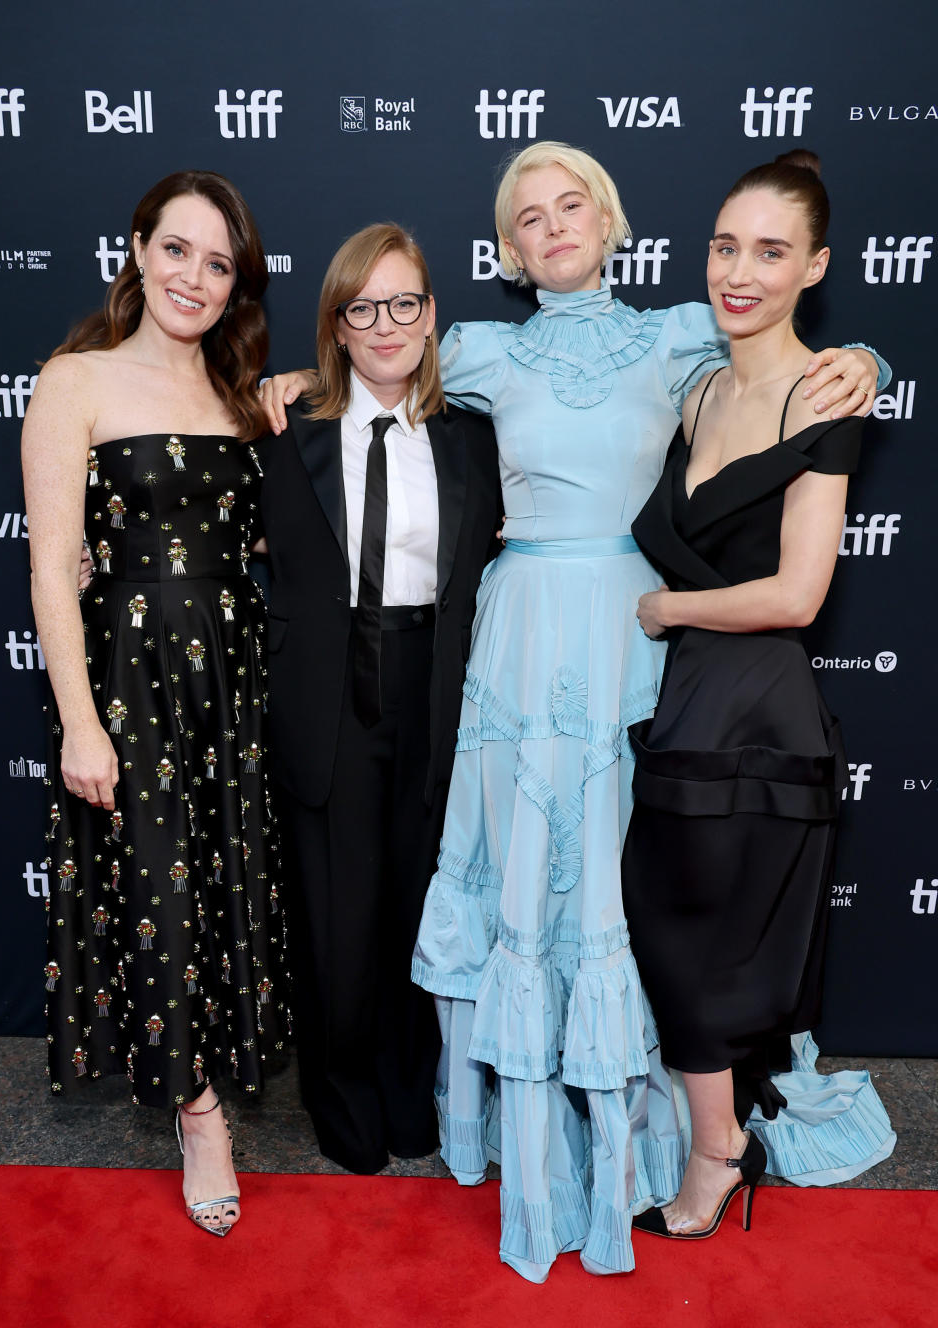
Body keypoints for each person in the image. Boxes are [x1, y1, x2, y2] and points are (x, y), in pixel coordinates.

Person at [260, 142, 885, 1281]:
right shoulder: (483, 349)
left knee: (619, 883)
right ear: (507, 245)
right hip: (517, 631)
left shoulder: (674, 332)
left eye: (570, 205)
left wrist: (868, 357)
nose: (552, 225)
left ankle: (646, 1137)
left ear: (609, 220)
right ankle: (522, 1139)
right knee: (521, 876)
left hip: (635, 629)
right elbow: (376, 357)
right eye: (527, 214)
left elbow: (785, 345)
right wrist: (291, 384)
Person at [622, 151, 895, 1241]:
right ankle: (721, 1136)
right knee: (672, 927)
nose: (740, 270)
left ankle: (717, 1154)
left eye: (771, 250)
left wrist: (665, 613)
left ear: (815, 266)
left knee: (698, 942)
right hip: (689, 702)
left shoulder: (824, 394)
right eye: (725, 245)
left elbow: (796, 591)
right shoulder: (697, 384)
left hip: (756, 713)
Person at [22, 170, 289, 1238]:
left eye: (218, 263)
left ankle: (213, 1072)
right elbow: (50, 572)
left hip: (231, 675)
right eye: (176, 250)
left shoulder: (240, 391)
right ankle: (201, 1114)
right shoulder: (72, 380)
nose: (194, 276)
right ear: (137, 250)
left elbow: (269, 538)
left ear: (236, 284)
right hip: (128, 680)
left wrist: (296, 399)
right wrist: (81, 721)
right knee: (157, 894)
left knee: (224, 876)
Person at [255, 224, 502, 1175]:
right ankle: (341, 1090)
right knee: (334, 910)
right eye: (365, 308)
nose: (387, 324)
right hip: (325, 696)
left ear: (432, 317)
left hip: (435, 690)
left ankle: (414, 1090)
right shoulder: (283, 427)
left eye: (405, 303)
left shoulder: (475, 439)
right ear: (339, 326)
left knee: (418, 897)